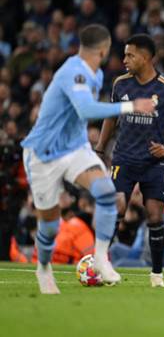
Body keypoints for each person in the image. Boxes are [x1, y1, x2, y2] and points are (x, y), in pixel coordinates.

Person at [21, 24, 156, 294]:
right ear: (104, 50)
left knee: (107, 194)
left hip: (74, 148)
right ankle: (44, 268)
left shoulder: (97, 73)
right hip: (43, 153)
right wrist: (131, 106)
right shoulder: (74, 72)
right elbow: (85, 110)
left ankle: (101, 258)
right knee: (49, 226)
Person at [96, 34, 164, 288]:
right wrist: (100, 148)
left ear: (146, 57)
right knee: (116, 209)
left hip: (153, 163)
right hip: (124, 159)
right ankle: (101, 264)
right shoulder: (120, 84)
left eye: (130, 55)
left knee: (155, 217)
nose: (125, 60)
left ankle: (157, 275)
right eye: (125, 55)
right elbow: (111, 116)